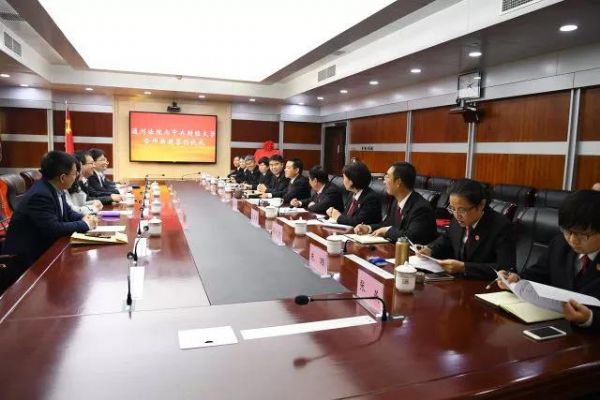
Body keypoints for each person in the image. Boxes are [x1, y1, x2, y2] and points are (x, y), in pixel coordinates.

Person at [498, 190, 600, 332]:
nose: (572, 240)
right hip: (553, 326)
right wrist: (516, 279)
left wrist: (589, 318)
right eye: (567, 231)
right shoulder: (559, 244)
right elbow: (538, 274)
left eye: (583, 235)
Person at [3, 151, 96, 276]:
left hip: (45, 247)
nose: (76, 176)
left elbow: (68, 213)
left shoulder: (55, 188)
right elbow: (53, 228)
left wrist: (84, 217)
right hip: (25, 259)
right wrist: (85, 224)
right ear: (62, 177)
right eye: (74, 173)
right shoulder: (41, 194)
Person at [416, 179, 515, 280]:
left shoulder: (501, 227)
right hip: (458, 282)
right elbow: (447, 239)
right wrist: (430, 249)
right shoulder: (458, 218)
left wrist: (465, 268)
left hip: (483, 285)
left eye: (462, 210)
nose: (457, 215)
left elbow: (505, 268)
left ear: (481, 205)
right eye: (452, 208)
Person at [354, 162, 437, 244]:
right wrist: (368, 228)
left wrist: (387, 231)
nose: (384, 182)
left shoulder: (421, 209)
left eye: (387, 177)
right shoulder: (395, 202)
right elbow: (387, 224)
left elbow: (410, 237)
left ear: (398, 182)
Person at [326, 161, 381, 226]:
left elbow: (358, 222)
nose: (343, 181)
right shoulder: (352, 193)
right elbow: (347, 216)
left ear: (351, 181)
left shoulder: (371, 198)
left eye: (344, 177)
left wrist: (338, 217)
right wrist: (333, 212)